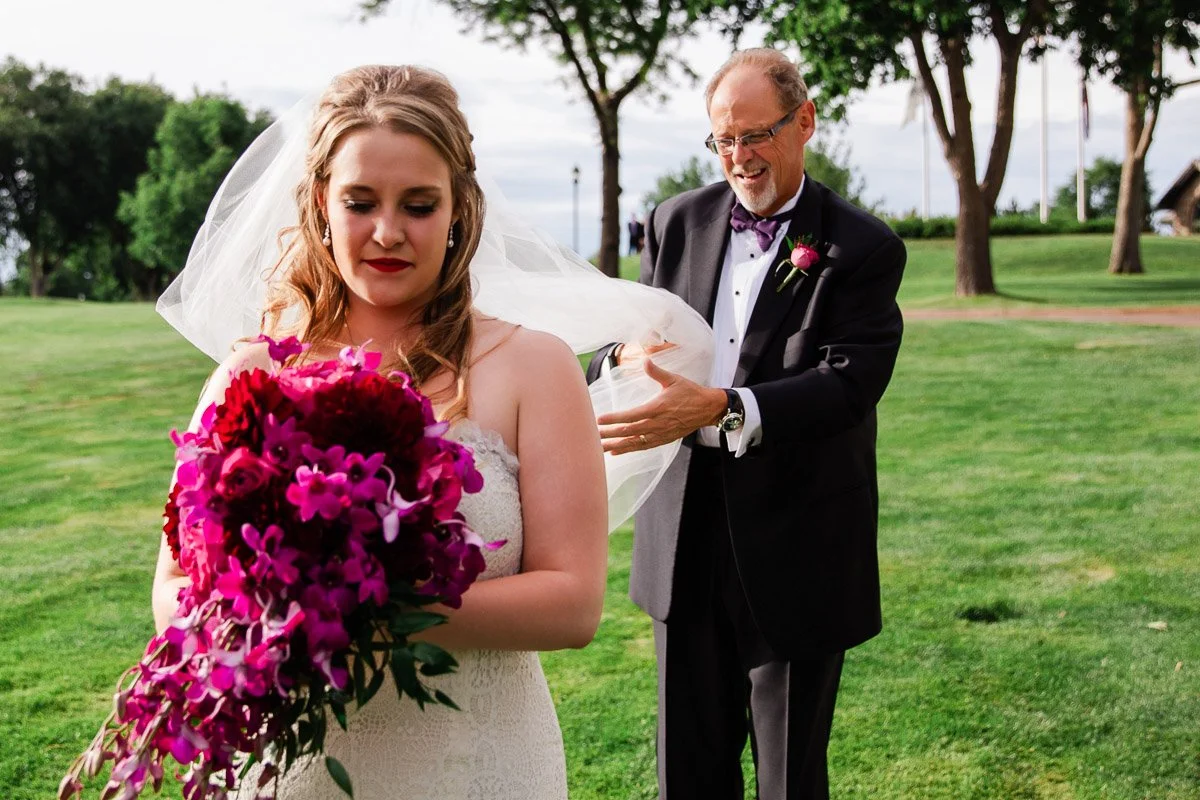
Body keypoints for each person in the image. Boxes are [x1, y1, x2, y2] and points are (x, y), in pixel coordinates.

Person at [151, 65, 610, 799]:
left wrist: (360, 606)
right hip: (298, 772)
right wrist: (268, 603)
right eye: (360, 202)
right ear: (320, 208)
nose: (387, 232)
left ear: (460, 209)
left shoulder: (534, 367)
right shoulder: (250, 378)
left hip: (477, 765)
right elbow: (173, 590)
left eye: (419, 205)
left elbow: (574, 603)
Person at [587, 48, 906, 799]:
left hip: (798, 546)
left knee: (789, 778)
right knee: (685, 772)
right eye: (723, 140)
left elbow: (848, 384)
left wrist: (727, 409)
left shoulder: (863, 247)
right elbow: (619, 343)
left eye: (755, 136)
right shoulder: (675, 220)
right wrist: (621, 359)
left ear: (804, 123)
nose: (739, 157)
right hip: (682, 538)